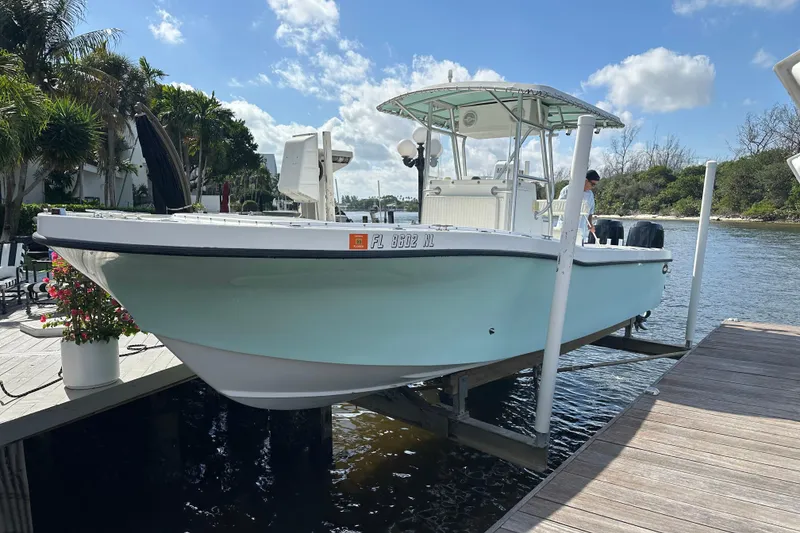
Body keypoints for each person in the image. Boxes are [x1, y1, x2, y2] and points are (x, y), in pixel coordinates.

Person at [554, 169, 600, 243]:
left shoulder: (590, 194)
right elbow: (559, 207)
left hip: (581, 233)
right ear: (585, 180)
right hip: (564, 230)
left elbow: (590, 211)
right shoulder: (567, 189)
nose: (593, 187)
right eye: (592, 184)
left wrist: (590, 224)